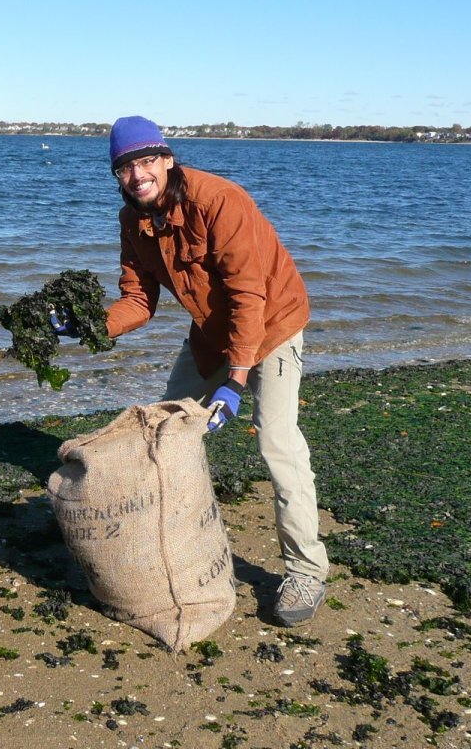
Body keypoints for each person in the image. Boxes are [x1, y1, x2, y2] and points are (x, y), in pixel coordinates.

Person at [66, 115, 329, 626]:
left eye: (146, 161)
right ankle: (177, 548)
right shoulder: (133, 222)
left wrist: (235, 380)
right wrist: (87, 325)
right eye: (125, 167)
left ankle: (306, 569)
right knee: (168, 431)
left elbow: (248, 295)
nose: (137, 174)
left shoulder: (220, 200)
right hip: (211, 331)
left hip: (270, 324)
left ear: (167, 160)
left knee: (277, 443)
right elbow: (138, 301)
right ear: (116, 175)